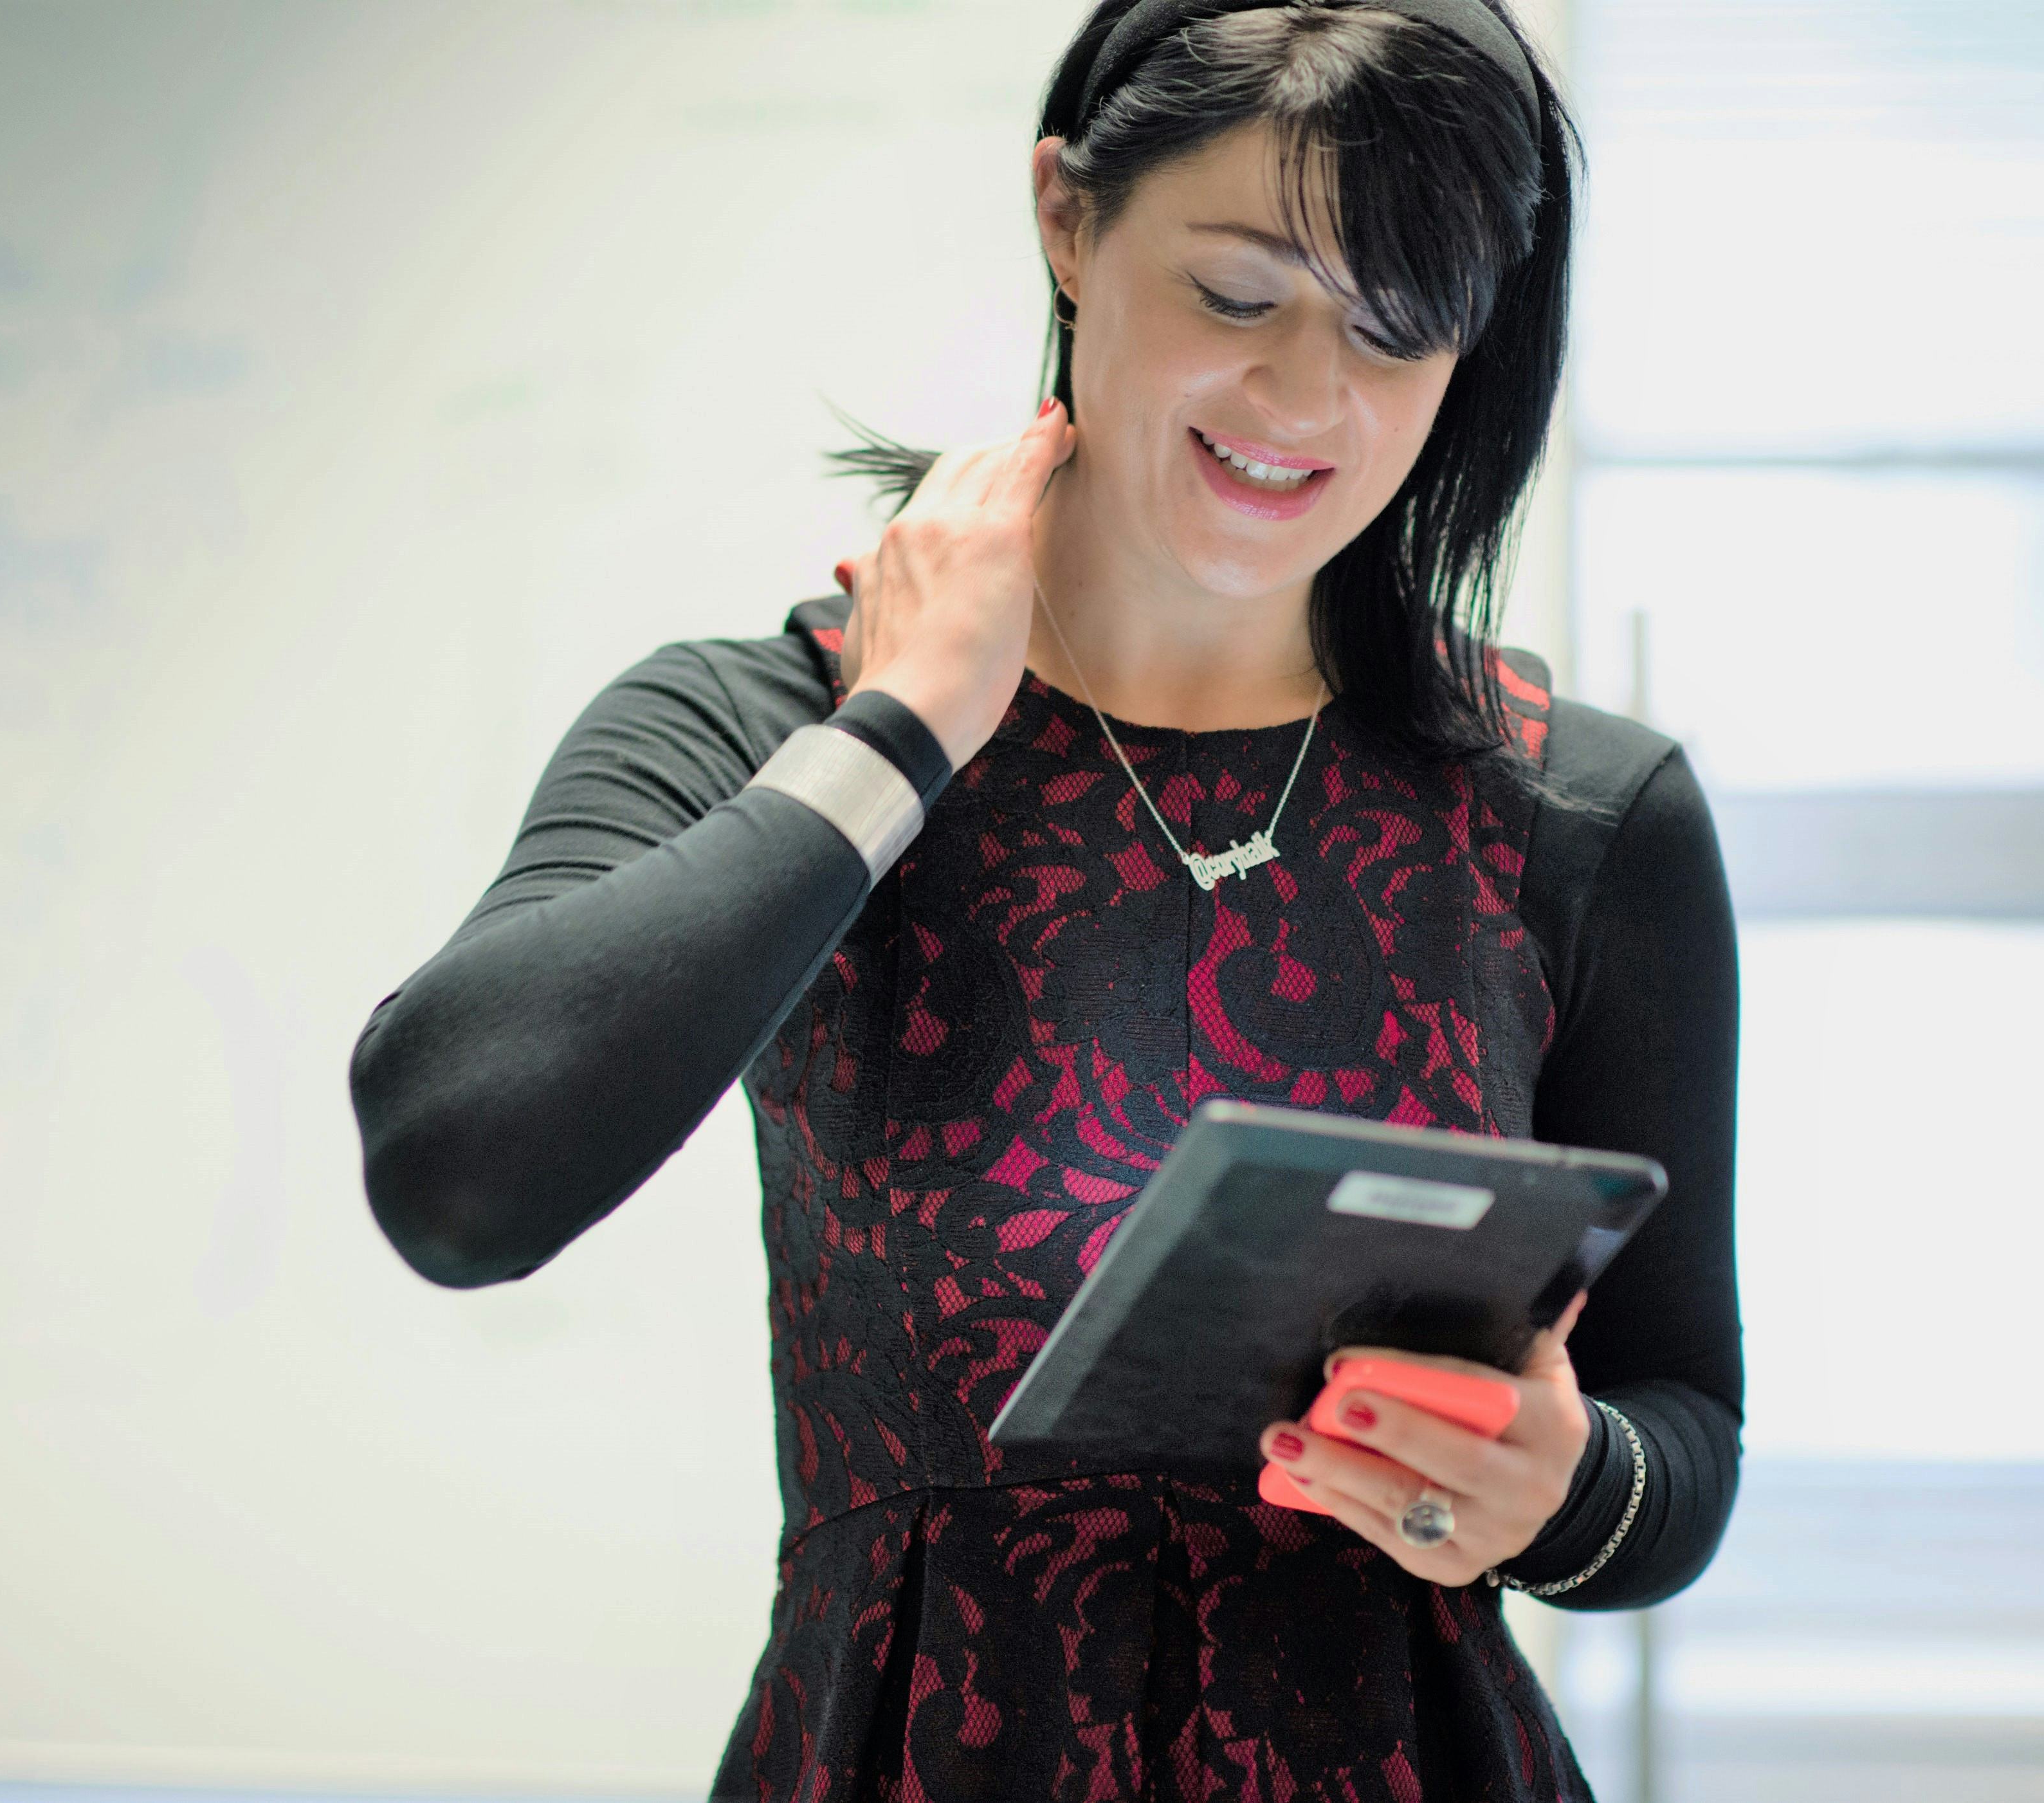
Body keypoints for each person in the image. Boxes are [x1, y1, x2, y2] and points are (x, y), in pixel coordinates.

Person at [347, 0, 1742, 1795]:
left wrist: (1562, 1486)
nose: (1306, 400)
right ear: (1069, 221)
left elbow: (1682, 1432)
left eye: (1397, 335)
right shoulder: (775, 725)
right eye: (1237, 295)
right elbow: (460, 1174)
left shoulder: (1577, 808)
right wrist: (905, 728)